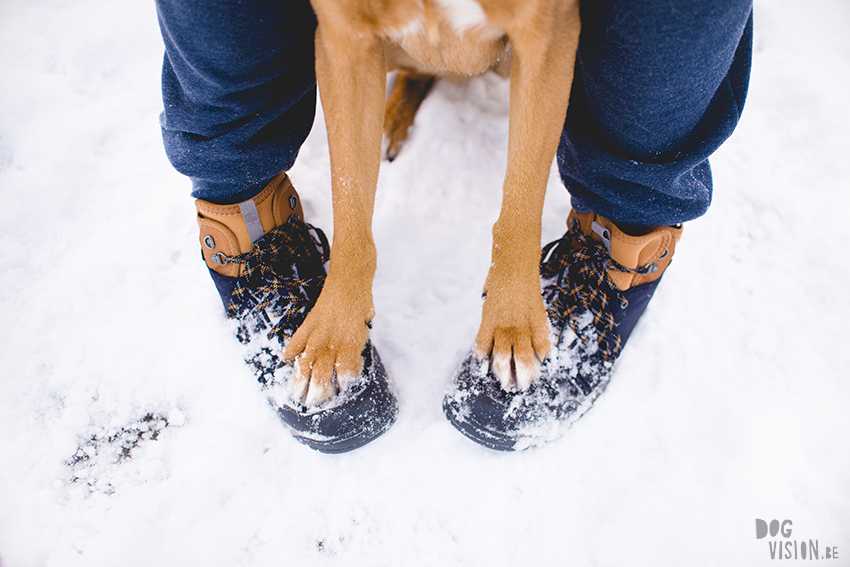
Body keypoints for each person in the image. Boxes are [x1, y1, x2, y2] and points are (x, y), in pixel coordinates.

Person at [155, 0, 754, 452]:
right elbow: (347, 41)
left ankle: (627, 217)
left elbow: (546, 35)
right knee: (344, 23)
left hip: (512, 45)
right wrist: (349, 275)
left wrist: (515, 262)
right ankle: (245, 203)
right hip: (395, 42)